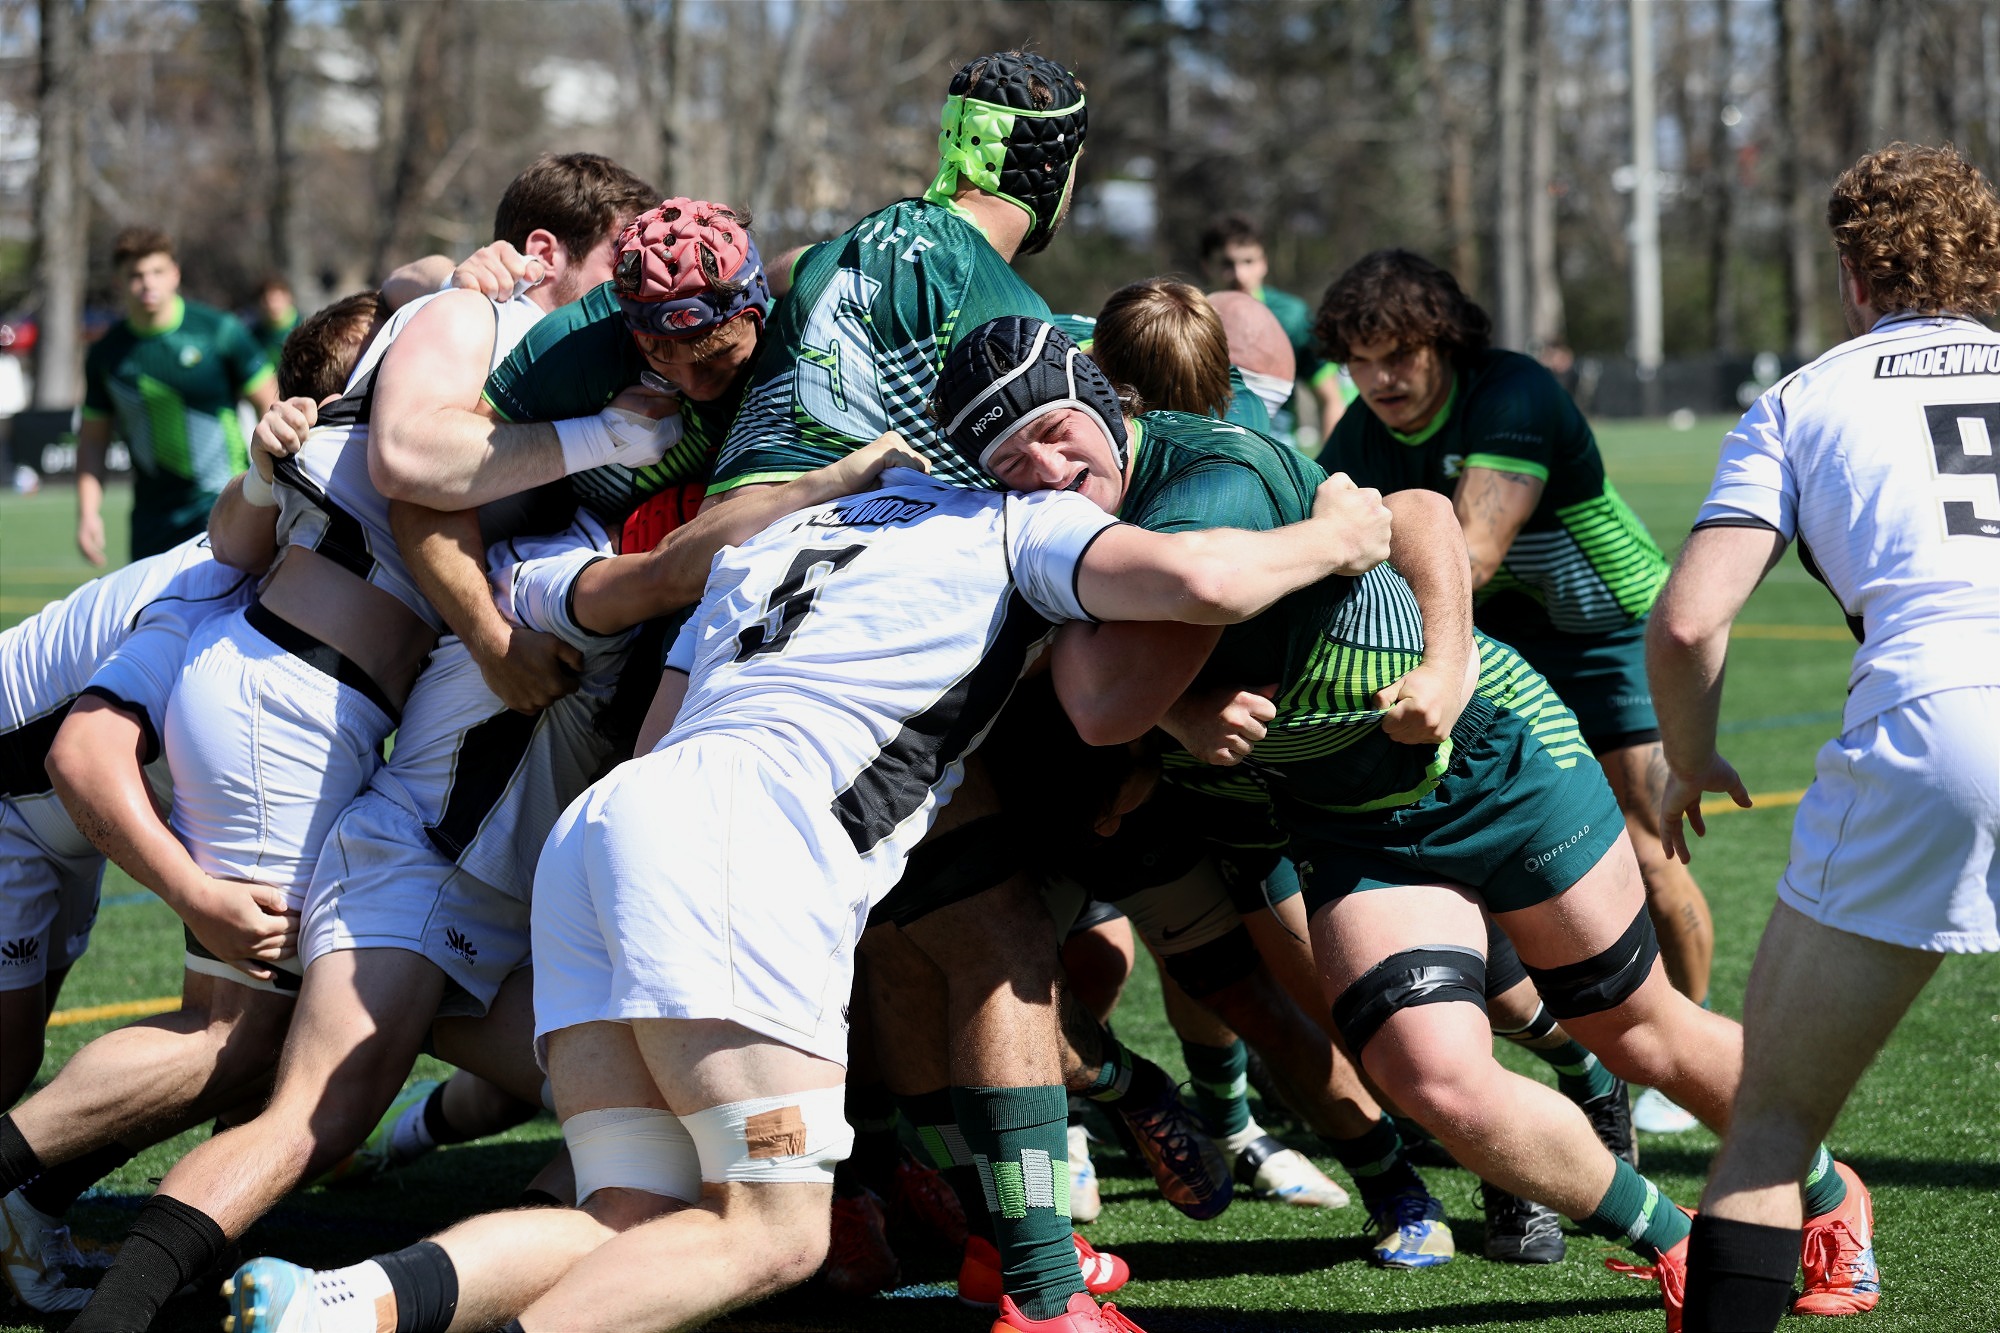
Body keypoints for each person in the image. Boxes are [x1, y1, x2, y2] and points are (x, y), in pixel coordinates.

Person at [223, 436, 1392, 1333]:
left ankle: (349, 1302)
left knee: (631, 1216)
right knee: (775, 1233)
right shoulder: (1019, 526)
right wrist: (1338, 534)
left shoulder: (785, 533)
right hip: (738, 836)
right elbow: (1198, 574)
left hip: (617, 828)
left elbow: (660, 735)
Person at [938, 315, 1868, 1331]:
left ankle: (1825, 1191)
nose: (1040, 462)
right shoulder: (1045, 529)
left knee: (1631, 1028)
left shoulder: (1208, 476)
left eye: (1053, 426)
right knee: (1430, 1076)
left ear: (1102, 402)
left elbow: (1419, 512)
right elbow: (1105, 686)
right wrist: (1178, 704)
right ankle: (1676, 1241)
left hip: (1491, 755)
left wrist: (1446, 663)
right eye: (1006, 453)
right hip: (1349, 822)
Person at [1661, 141, 2000, 1332]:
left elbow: (1691, 617)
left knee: (1767, 1131)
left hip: (1938, 717)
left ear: (1853, 276)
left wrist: (1691, 757)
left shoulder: (1804, 396)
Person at [1317, 247, 1716, 1142]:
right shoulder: (1361, 427)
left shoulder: (1515, 393)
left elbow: (1472, 549)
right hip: (1501, 638)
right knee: (1507, 860)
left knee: (1648, 852)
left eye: (1400, 356)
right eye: (1361, 359)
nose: (1380, 378)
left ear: (1444, 342)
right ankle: (1545, 1053)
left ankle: (1684, 1034)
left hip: (1613, 631)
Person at [77, 227, 278, 564]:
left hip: (227, 504)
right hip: (152, 521)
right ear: (118, 282)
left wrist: (276, 485)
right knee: (152, 617)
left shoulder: (219, 332)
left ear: (174, 274)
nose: (148, 284)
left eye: (157, 272)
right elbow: (94, 441)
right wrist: (87, 513)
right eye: (136, 275)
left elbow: (271, 404)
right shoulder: (105, 354)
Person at [1199, 213, 1351, 448]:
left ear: (1263, 263)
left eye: (1248, 261)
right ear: (1207, 266)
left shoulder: (1290, 316)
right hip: (1206, 445)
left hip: (1277, 446)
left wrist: (1332, 467)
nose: (1239, 275)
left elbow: (1330, 399)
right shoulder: (1190, 318)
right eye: (1227, 264)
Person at [249, 275, 302, 366]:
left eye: (276, 299)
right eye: (266, 301)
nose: (272, 306)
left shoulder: (305, 327)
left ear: (288, 298)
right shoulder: (255, 336)